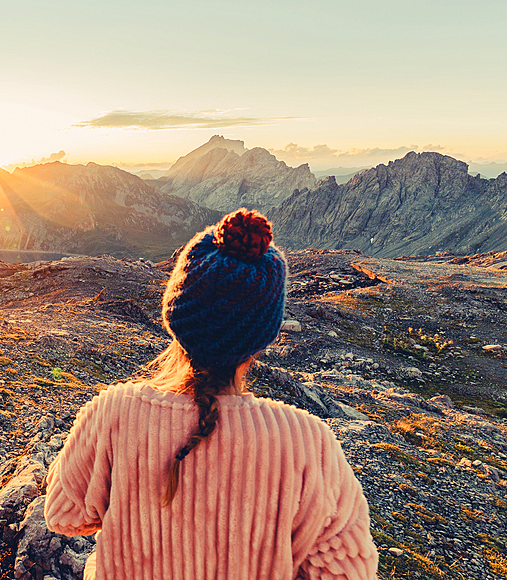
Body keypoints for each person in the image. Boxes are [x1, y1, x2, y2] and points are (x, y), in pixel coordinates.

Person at [44, 209, 378, 580]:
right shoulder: (308, 442)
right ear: (263, 338)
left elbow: (65, 515)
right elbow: (349, 571)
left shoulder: (112, 413)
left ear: (176, 316)